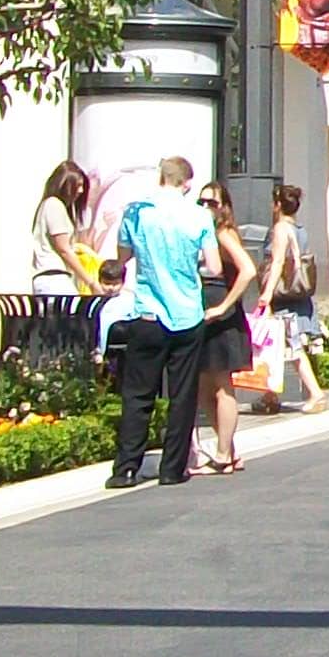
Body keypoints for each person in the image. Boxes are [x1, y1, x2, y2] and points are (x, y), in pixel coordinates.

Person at [105, 156, 214, 488]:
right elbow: (214, 266)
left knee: (138, 393)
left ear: (161, 178)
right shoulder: (199, 215)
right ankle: (172, 468)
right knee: (182, 394)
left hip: (148, 311)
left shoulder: (137, 213)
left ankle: (126, 468)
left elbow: (122, 258)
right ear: (187, 183)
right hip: (187, 313)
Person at [193, 182, 262, 472]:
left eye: (212, 202)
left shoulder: (222, 233)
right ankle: (229, 451)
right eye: (201, 202)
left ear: (224, 207)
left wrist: (224, 306)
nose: (206, 207)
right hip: (206, 316)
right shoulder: (205, 232)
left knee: (222, 386)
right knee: (204, 388)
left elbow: (248, 269)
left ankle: (223, 455)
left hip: (221, 316)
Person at [262, 180, 323, 409]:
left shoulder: (280, 229)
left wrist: (266, 294)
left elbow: (278, 262)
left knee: (291, 346)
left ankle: (316, 394)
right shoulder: (300, 230)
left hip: (283, 297)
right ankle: (269, 396)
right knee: (277, 345)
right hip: (298, 295)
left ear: (278, 205)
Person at [30, 160, 99, 296]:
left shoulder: (52, 206)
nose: (81, 191)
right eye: (77, 186)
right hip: (53, 278)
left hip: (53, 278)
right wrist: (90, 282)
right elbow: (64, 249)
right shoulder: (54, 205)